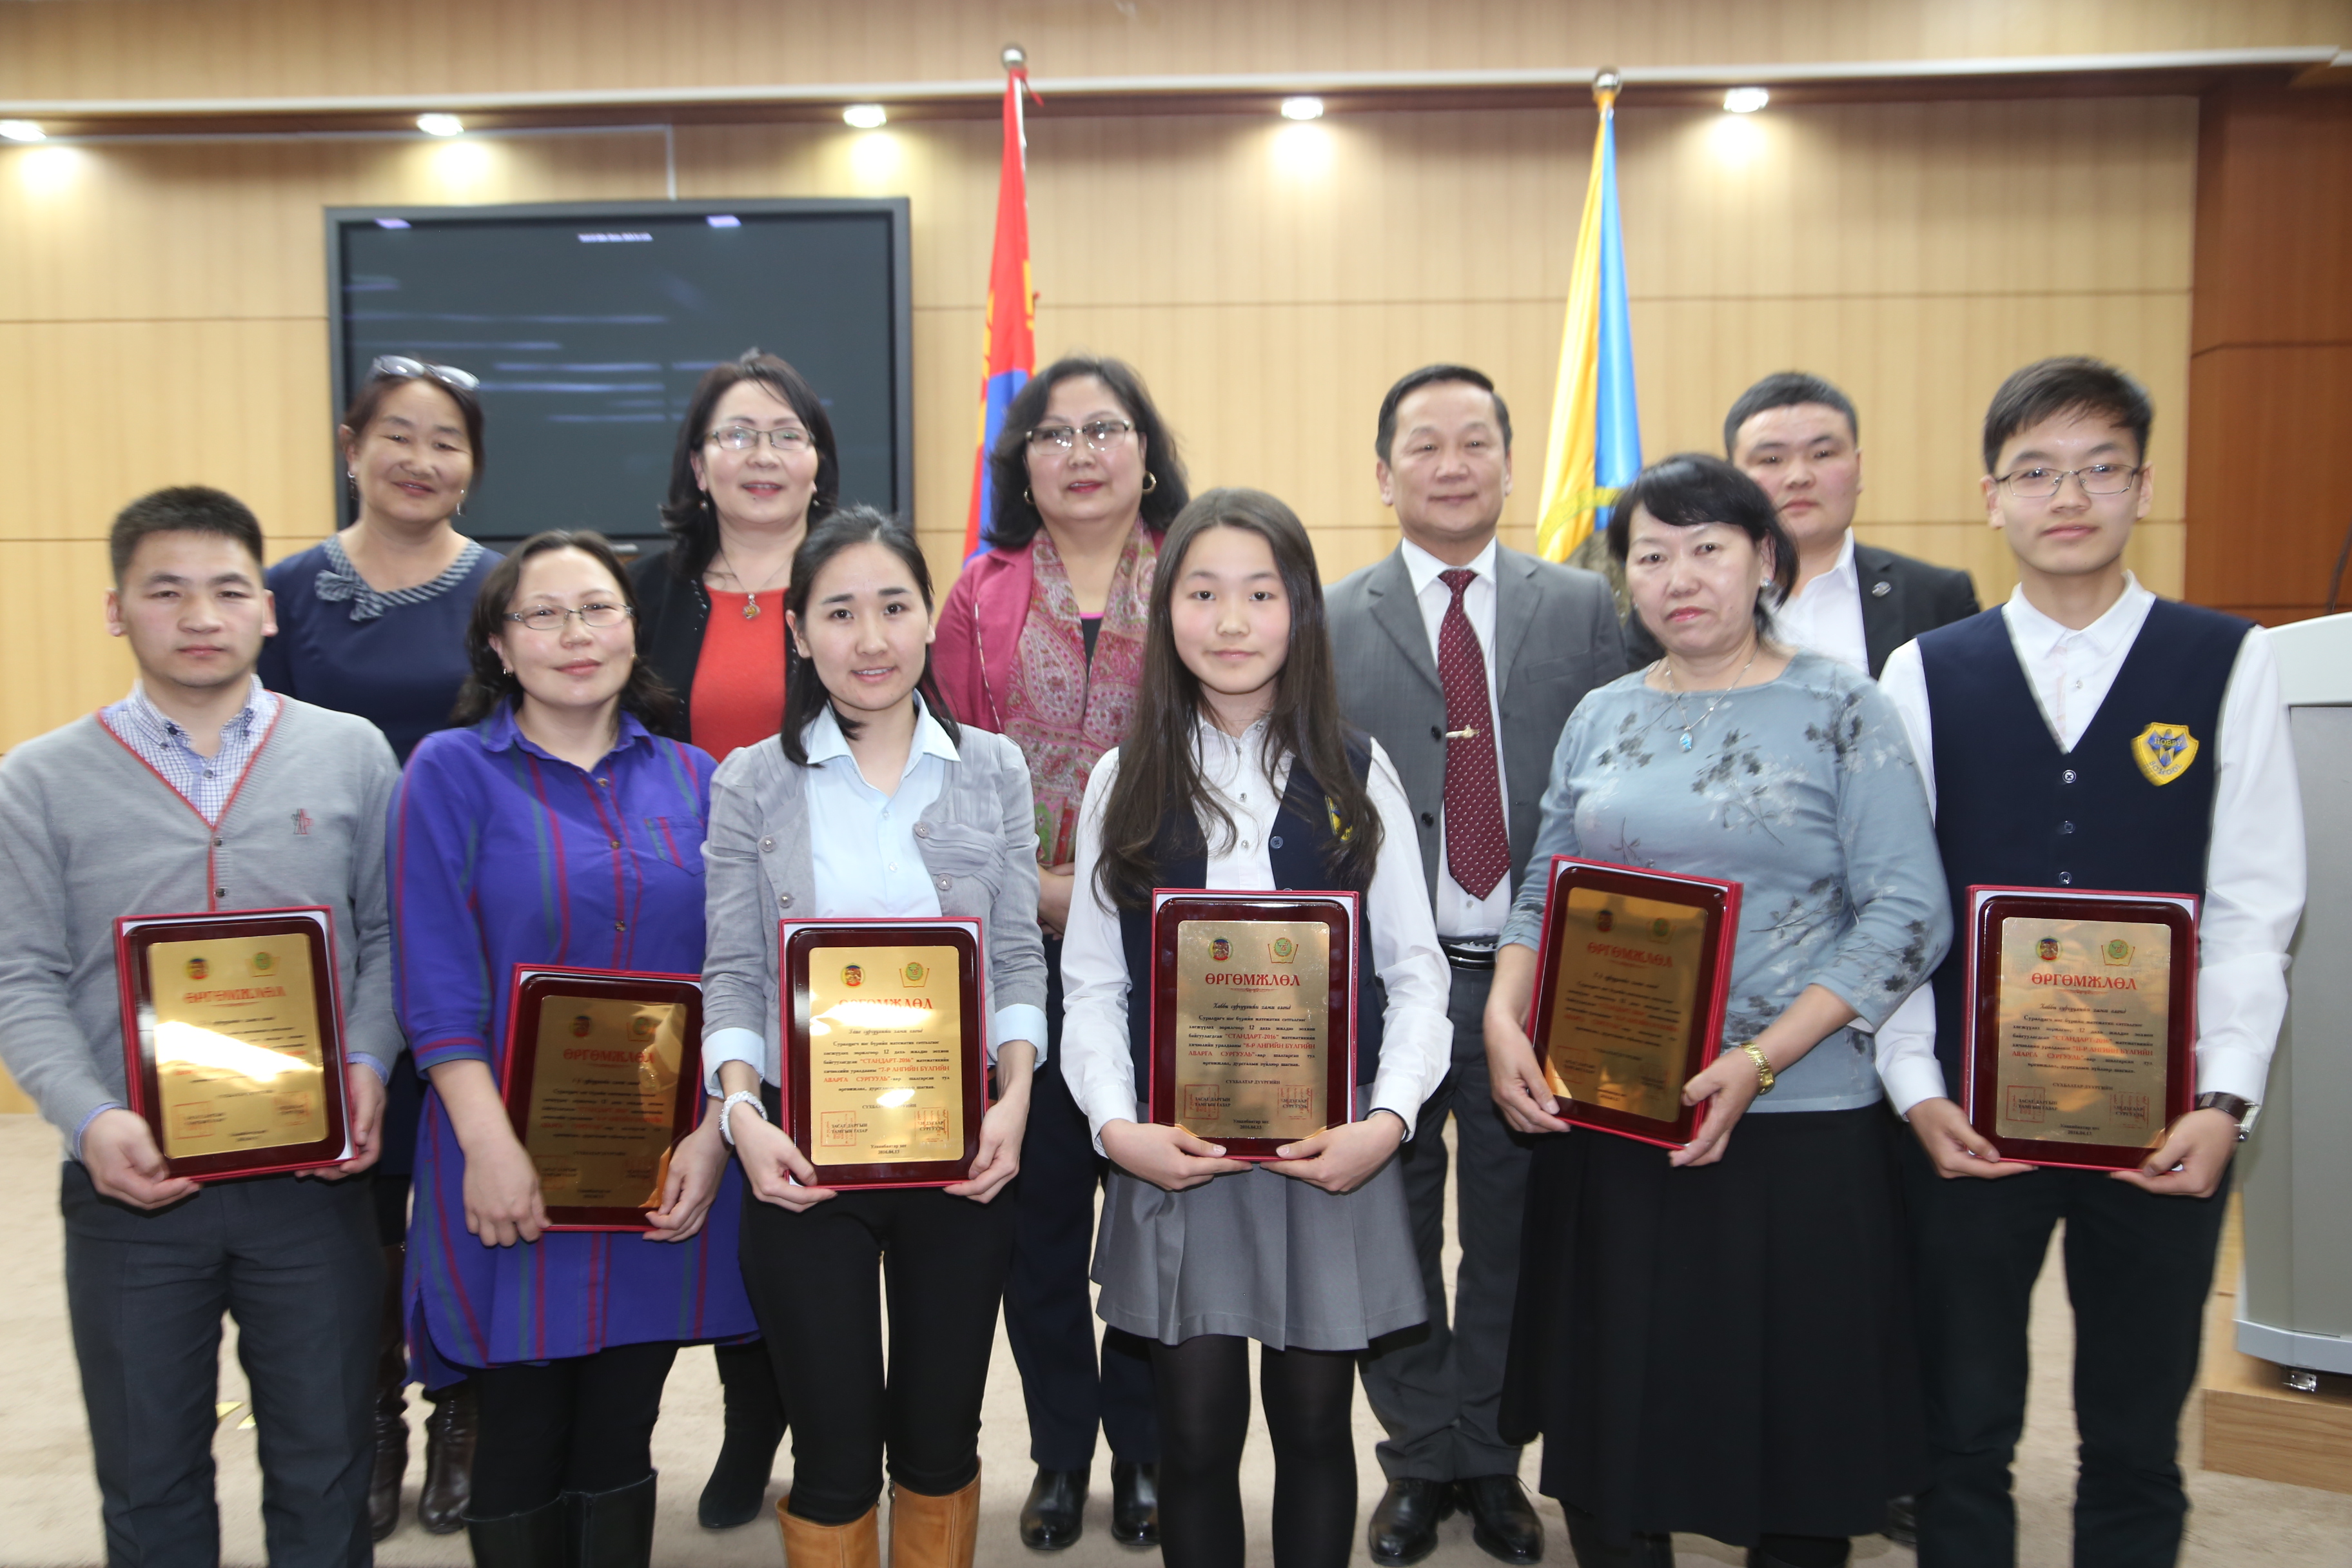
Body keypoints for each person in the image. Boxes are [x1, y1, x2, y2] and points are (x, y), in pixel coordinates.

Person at [1872, 357, 2305, 1568]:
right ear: (1991, 498)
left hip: (2163, 1124)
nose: (2069, 496)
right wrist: (1915, 1088)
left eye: (2099, 468)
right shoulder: (1926, 671)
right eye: (2036, 472)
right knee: (1960, 1432)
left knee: (2135, 1436)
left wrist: (2225, 1099)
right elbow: (1899, 906)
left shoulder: (2228, 659)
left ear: (2144, 487)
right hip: (1967, 1120)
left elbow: (2257, 902)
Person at [1484, 454, 1951, 1568]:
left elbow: (1909, 913)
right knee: (1615, 1414)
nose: (1679, 577)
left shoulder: (1843, 705)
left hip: (1795, 1120)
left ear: (1765, 561)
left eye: (1708, 548)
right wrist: (1505, 1016)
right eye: (1652, 555)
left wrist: (1761, 1060)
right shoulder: (1601, 714)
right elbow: (1545, 887)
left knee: (1793, 1431)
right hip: (1614, 1108)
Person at [0, 485, 398, 1567]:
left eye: (228, 590)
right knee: (149, 1478)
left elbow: (389, 938)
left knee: (326, 1467)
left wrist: (368, 1062)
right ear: (116, 610)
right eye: (165, 591)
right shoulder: (38, 781)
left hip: (311, 1187)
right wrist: (89, 1119)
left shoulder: (351, 752)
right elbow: (22, 976)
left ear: (267, 609)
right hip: (131, 1188)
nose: (201, 616)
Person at [1061, 487, 1454, 1568]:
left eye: (1260, 594)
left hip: (1329, 1153)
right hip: (1174, 1152)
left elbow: (1415, 972)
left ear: (1301, 611)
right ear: (1166, 613)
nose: (1231, 622)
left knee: (1317, 1429)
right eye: (1202, 593)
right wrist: (1115, 1130)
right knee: (1192, 1437)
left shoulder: (1355, 768)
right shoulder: (1122, 778)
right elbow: (1092, 984)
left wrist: (1386, 1122)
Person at [389, 530, 757, 1567]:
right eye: (543, 616)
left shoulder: (698, 780)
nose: (575, 634)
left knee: (621, 1429)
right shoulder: (450, 774)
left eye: (597, 609)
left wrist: (713, 1134)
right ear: (499, 646)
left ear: (633, 630)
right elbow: (436, 983)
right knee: (519, 1431)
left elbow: (738, 974)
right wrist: (488, 1146)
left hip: (660, 1165)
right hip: (504, 1158)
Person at [700, 506, 1047, 1568]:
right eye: (840, 612)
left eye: (894, 607)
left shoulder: (993, 768)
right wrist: (742, 1115)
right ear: (798, 631)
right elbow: (735, 970)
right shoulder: (750, 781)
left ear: (928, 619)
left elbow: (1016, 956)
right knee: (835, 1454)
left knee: (940, 1443)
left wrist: (1016, 1099)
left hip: (962, 1152)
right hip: (803, 1156)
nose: (871, 639)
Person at [1325, 363, 1625, 1565]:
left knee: (1514, 1230)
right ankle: (1417, 1456)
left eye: (1475, 443)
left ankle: (1492, 1455)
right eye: (1425, 445)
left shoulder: (1585, 607)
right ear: (1383, 473)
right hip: (1389, 983)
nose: (1452, 465)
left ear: (1509, 462)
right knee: (1389, 1228)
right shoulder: (1330, 618)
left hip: (1532, 980)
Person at [932, 353, 1189, 1549]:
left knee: (1149, 1218)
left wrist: (1109, 898)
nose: (1081, 452)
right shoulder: (975, 596)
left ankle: (1142, 1452)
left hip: (1168, 959)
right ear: (1021, 462)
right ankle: (1060, 1453)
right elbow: (940, 778)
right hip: (1016, 956)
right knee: (1035, 1228)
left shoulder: (1195, 573)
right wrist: (1035, 892)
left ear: (1147, 452)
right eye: (1054, 433)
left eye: (1106, 428)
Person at [259, 352, 502, 1540]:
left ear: (473, 466)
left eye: (447, 440)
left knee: (463, 1186)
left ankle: (462, 1411)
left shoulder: (504, 591)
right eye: (397, 434)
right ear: (352, 447)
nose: (421, 459)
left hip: (473, 931)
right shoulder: (284, 593)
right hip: (331, 939)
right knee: (349, 1199)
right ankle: (369, 1418)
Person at [627, 348, 838, 1524]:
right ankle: (688, 1418)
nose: (763, 455)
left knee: (789, 1189)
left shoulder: (856, 581)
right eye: (737, 434)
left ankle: (777, 1421)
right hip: (664, 926)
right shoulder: (638, 593)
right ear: (698, 464)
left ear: (818, 461)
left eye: (786, 433)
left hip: (817, 939)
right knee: (670, 1172)